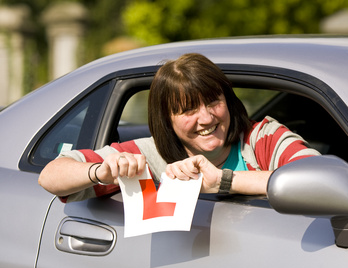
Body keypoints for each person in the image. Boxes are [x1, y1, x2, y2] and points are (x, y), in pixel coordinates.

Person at [38, 53, 320, 203]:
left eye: (213, 102)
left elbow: (318, 180)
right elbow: (50, 176)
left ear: (228, 100)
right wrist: (102, 170)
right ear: (167, 120)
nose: (207, 118)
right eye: (188, 110)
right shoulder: (149, 156)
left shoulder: (263, 137)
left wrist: (223, 181)